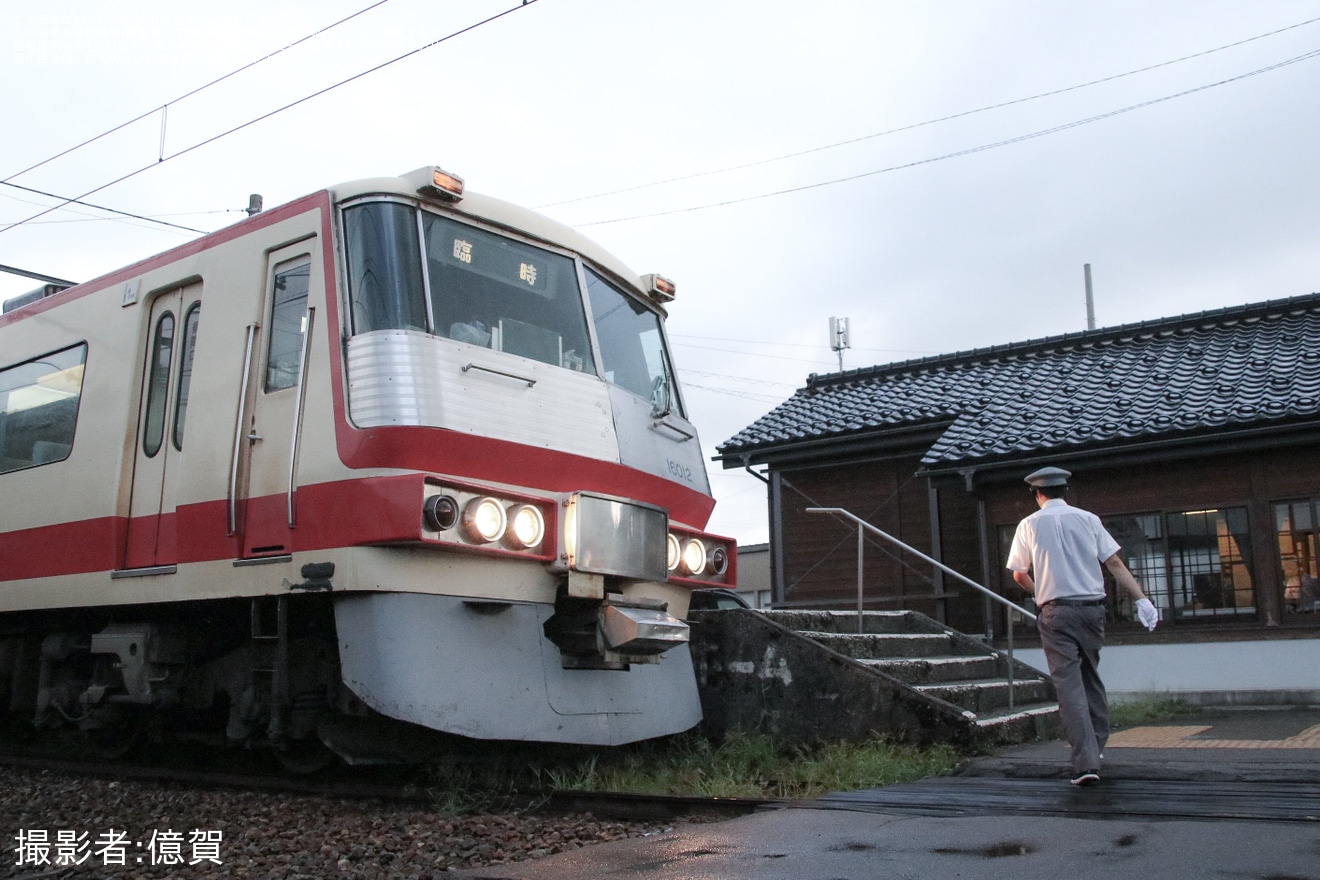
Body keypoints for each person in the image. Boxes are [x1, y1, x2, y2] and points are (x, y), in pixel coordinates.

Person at [1005, 466, 1159, 786]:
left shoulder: (1029, 525)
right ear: (1065, 491)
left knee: (1069, 685)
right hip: (1092, 610)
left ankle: (1085, 762)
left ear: (1037, 494)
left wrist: (1040, 594)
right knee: (1090, 677)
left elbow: (1019, 573)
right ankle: (1097, 746)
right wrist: (1142, 600)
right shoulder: (1089, 519)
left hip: (1055, 611)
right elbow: (1114, 562)